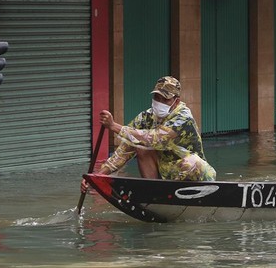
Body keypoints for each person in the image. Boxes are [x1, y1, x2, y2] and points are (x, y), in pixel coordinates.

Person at [82, 76, 216, 189]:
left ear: (176, 102)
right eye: (157, 97)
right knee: (140, 147)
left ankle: (176, 192)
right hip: (166, 173)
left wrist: (113, 126)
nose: (160, 102)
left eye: (165, 99)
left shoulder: (183, 117)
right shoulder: (145, 117)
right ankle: (154, 190)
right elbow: (124, 151)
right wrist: (97, 176)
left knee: (192, 162)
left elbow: (155, 139)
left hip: (195, 173)